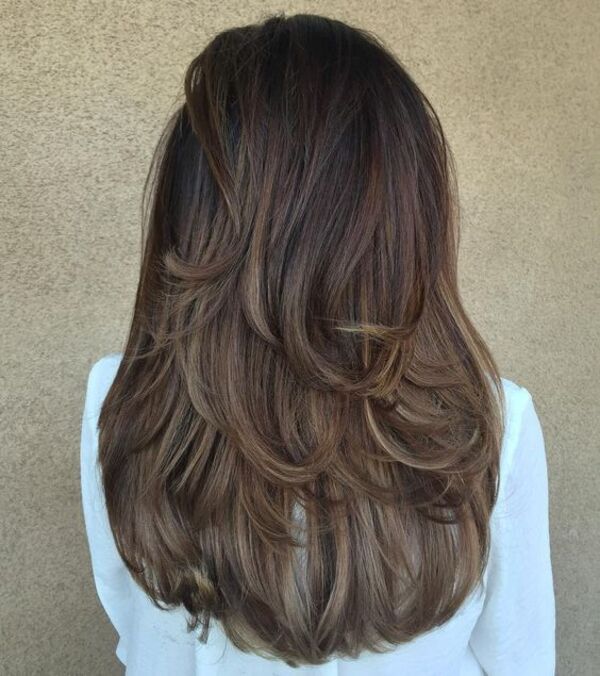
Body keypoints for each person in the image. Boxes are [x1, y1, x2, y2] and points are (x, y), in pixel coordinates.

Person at [80, 12, 555, 675]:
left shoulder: (126, 400)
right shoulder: (488, 423)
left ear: (193, 211)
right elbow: (518, 658)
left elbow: (140, 631)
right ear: (407, 219)